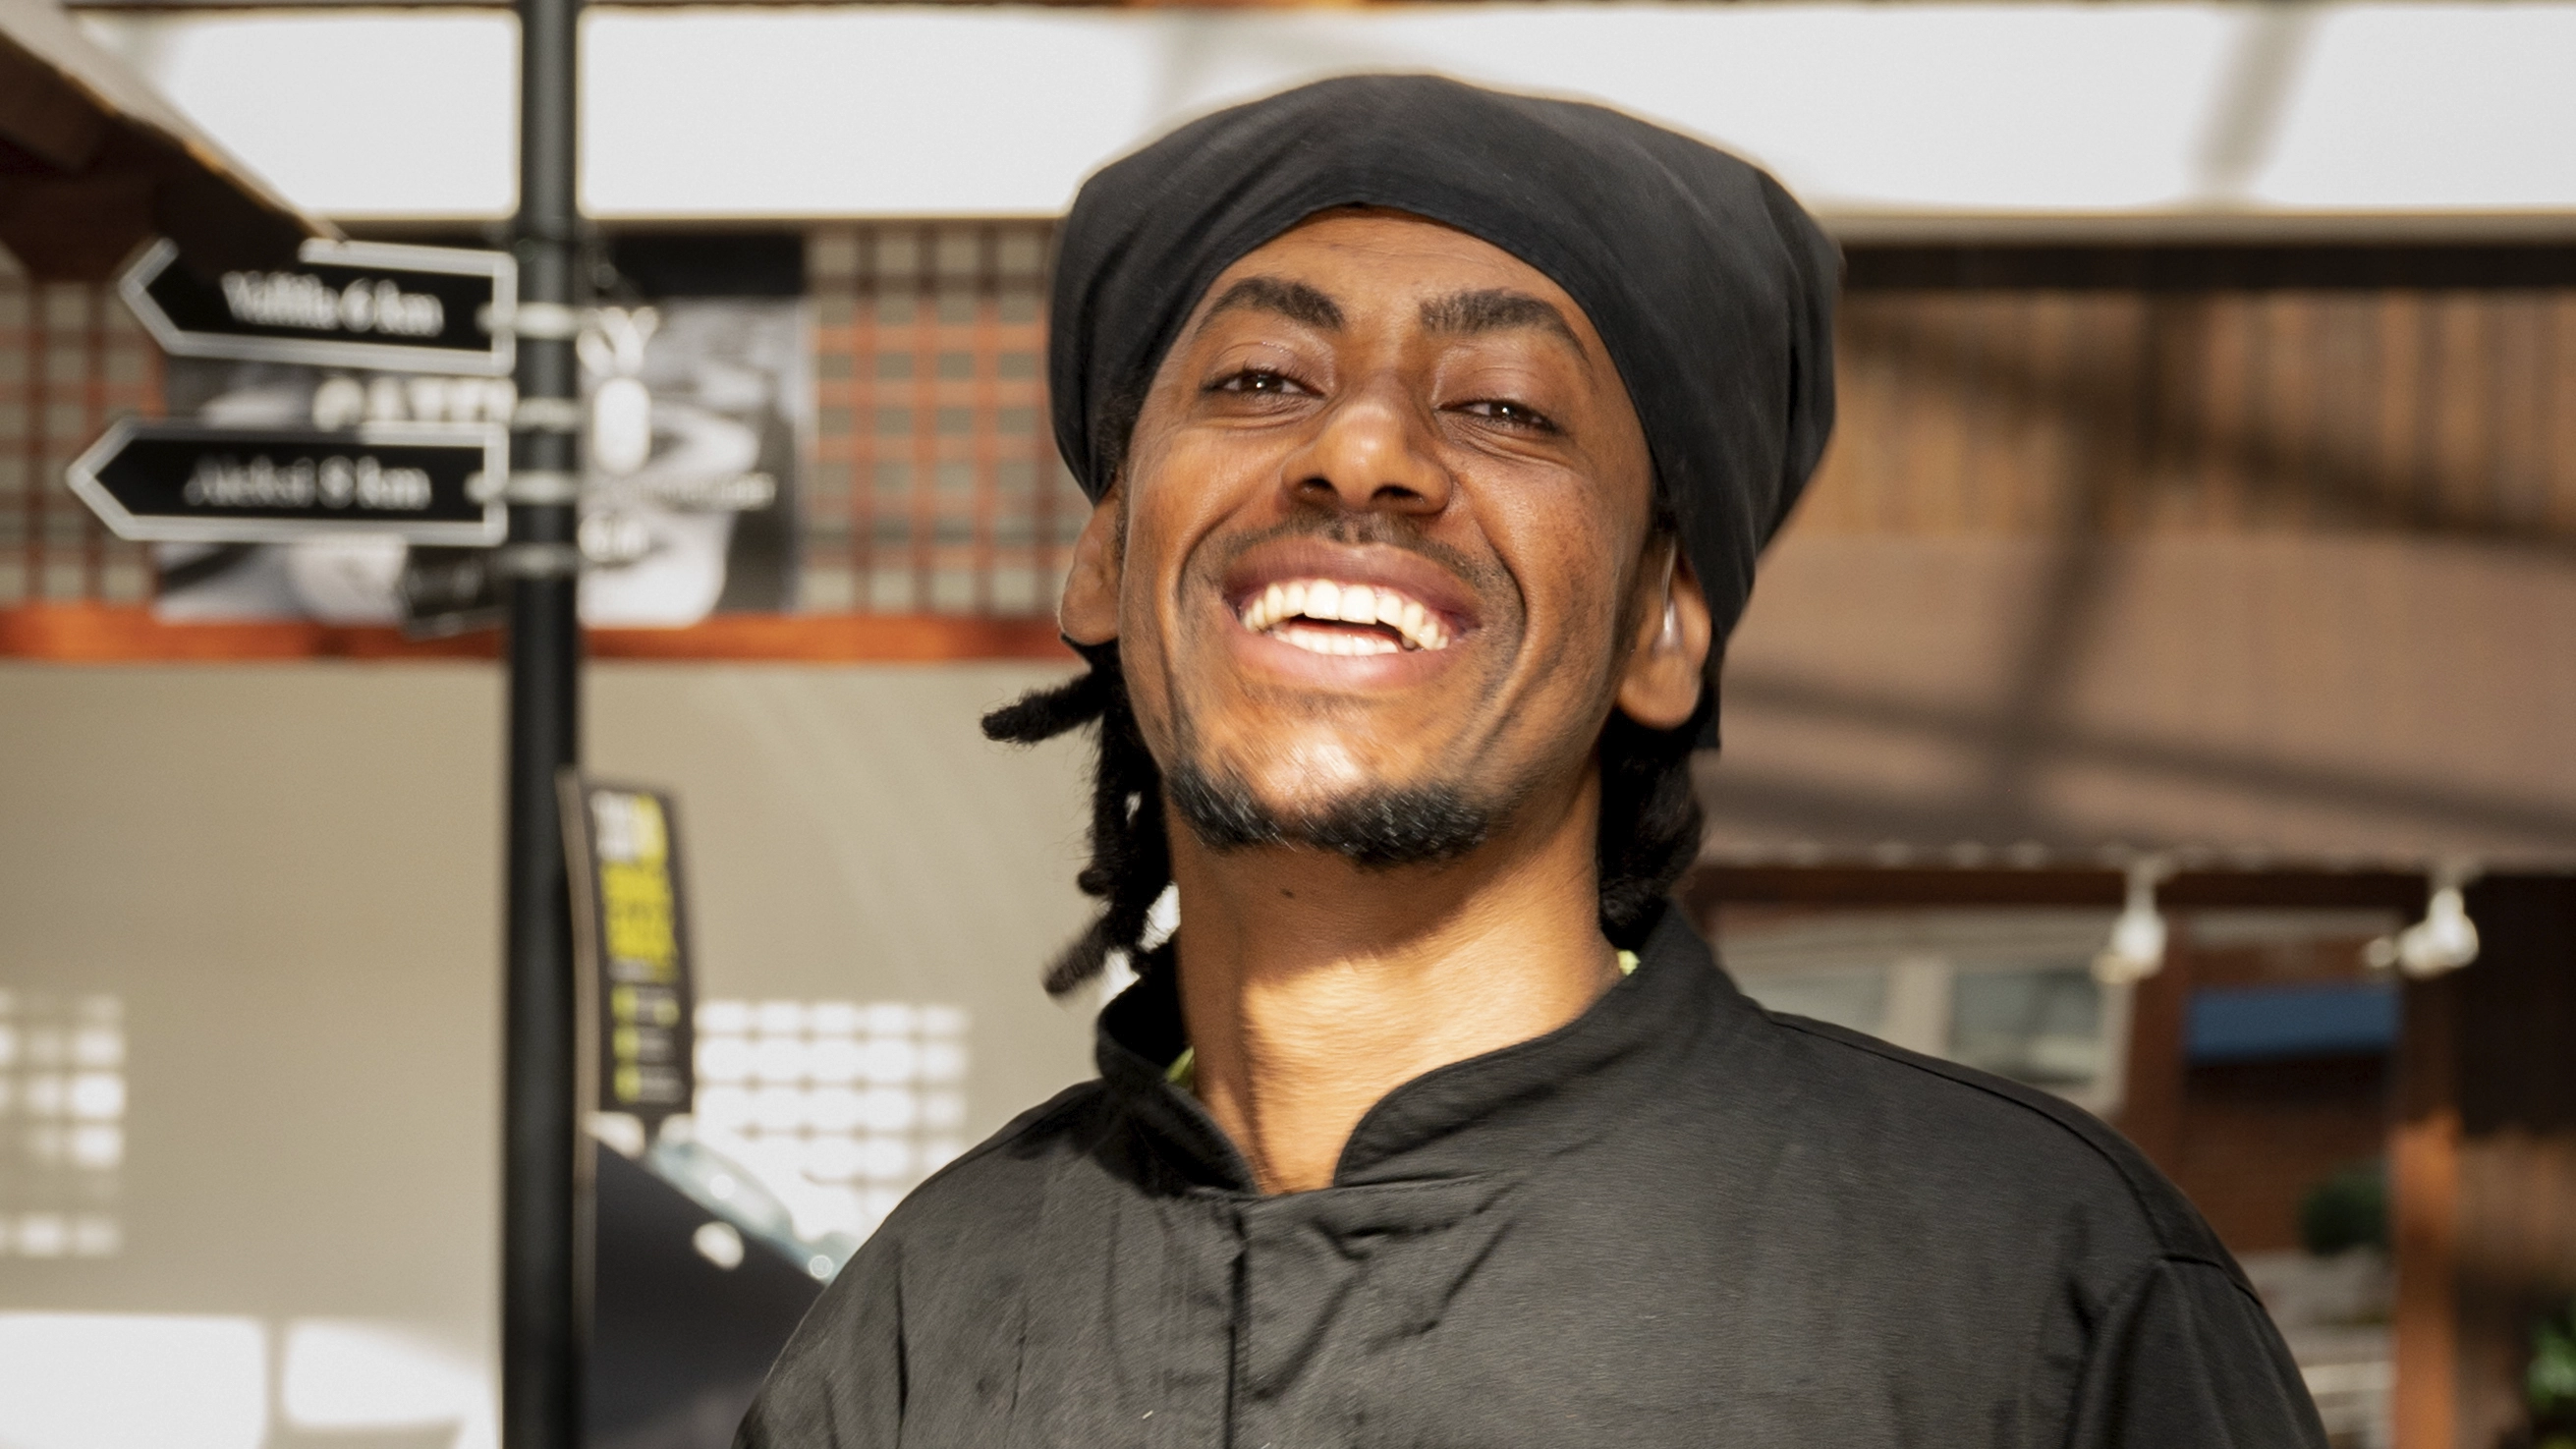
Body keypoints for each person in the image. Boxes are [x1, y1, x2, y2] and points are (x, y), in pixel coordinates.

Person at [737, 75, 2326, 1447]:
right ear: (1100, 558)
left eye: (1504, 406)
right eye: (1260, 379)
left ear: (1661, 622)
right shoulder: (926, 1323)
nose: (1359, 449)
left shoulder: (2025, 1290)